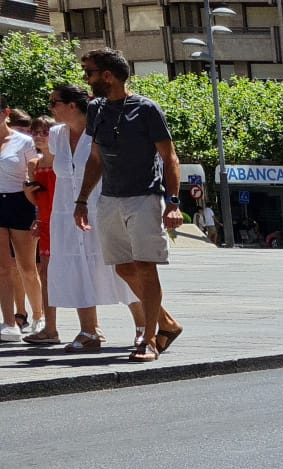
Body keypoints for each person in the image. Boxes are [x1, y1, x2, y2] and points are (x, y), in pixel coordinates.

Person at [75, 48, 184, 362]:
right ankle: (167, 323)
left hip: (144, 197)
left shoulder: (147, 109)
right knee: (123, 268)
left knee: (145, 268)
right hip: (109, 199)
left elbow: (170, 158)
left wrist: (172, 203)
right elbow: (95, 159)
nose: (86, 78)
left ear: (107, 76)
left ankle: (149, 339)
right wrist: (82, 199)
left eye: (90, 72)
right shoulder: (96, 109)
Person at [46, 83, 137, 352]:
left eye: (54, 103)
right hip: (65, 213)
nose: (50, 108)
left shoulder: (101, 129)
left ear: (72, 105)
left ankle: (146, 327)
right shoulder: (56, 135)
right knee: (75, 268)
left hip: (101, 208)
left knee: (121, 267)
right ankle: (89, 330)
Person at [0, 108, 44, 342]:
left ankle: (38, 316)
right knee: (3, 268)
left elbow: (35, 176)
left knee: (27, 267)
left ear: (5, 113)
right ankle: (9, 323)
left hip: (20, 201)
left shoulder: (23, 142)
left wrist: (37, 209)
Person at [23, 115, 59, 343]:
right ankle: (50, 328)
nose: (39, 136)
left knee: (80, 271)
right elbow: (39, 199)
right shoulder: (34, 164)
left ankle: (92, 325)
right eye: (36, 131)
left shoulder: (63, 160)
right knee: (45, 274)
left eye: (45, 131)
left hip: (66, 222)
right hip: (46, 222)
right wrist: (30, 197)